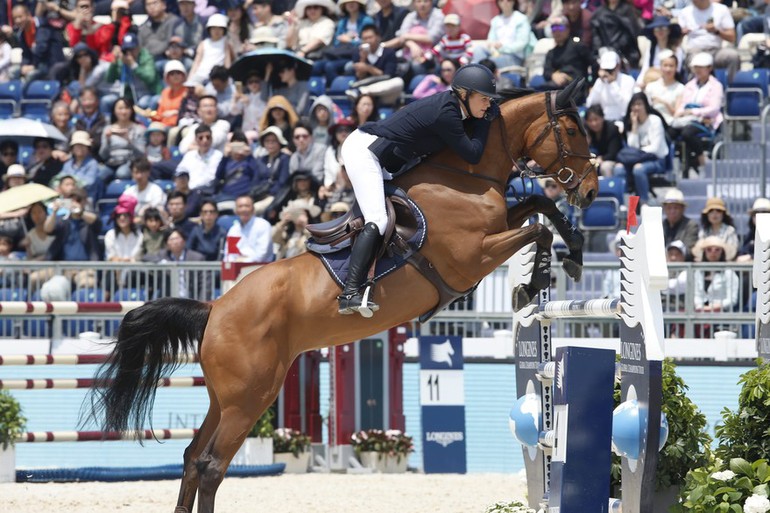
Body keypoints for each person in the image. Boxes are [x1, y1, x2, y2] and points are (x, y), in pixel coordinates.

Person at [337, 63, 499, 316]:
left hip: (387, 158)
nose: (488, 104)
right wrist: (487, 122)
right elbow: (473, 154)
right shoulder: (447, 113)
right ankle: (349, 292)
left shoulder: (456, 110)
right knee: (378, 220)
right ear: (465, 95)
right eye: (485, 99)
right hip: (365, 151)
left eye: (490, 100)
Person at [670, 52, 723, 177]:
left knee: (687, 133)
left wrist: (694, 111)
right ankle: (678, 167)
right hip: (688, 119)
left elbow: (714, 108)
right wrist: (680, 113)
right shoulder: (689, 85)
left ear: (709, 68)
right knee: (670, 131)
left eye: (701, 67)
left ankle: (701, 160)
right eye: (696, 67)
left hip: (706, 120)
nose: (698, 70)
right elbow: (684, 103)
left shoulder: (716, 86)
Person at [613, 93, 669, 204]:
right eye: (634, 105)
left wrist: (639, 152)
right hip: (636, 159)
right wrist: (634, 125)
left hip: (657, 160)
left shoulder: (655, 120)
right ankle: (624, 204)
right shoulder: (630, 122)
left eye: (639, 104)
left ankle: (644, 201)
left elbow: (656, 148)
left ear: (646, 105)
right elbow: (632, 147)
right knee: (618, 168)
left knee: (638, 169)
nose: (636, 108)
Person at [677, 0, 740, 81]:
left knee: (732, 56)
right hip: (695, 50)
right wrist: (682, 33)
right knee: (696, 60)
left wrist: (716, 31)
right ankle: (694, 89)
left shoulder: (721, 9)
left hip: (716, 51)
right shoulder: (685, 12)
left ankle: (731, 89)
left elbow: (732, 37)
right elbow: (676, 40)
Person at [344, 24, 403, 107]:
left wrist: (368, 68)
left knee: (398, 82)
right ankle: (362, 92)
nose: (368, 41)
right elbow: (360, 78)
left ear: (378, 37)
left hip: (383, 90)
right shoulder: (358, 53)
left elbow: (387, 76)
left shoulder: (388, 52)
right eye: (365, 38)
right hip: (365, 94)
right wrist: (363, 59)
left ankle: (361, 91)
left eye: (370, 37)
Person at [473, 0, 534, 68]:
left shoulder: (521, 19)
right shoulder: (495, 20)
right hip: (496, 54)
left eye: (508, 0)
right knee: (479, 50)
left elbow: (521, 43)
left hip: (514, 57)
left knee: (488, 63)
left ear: (514, 2)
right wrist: (492, 45)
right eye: (501, 0)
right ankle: (475, 72)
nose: (505, 2)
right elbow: (491, 40)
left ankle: (478, 72)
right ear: (498, 2)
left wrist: (502, 47)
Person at [538, 15, 592, 91]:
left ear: (568, 29)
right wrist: (553, 75)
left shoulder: (577, 46)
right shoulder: (551, 53)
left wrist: (592, 85)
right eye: (554, 28)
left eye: (560, 28)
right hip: (557, 86)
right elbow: (546, 71)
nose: (557, 32)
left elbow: (593, 63)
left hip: (576, 86)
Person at [100, 97, 147, 180]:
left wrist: (129, 141)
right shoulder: (108, 129)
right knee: (100, 175)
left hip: (129, 162)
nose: (123, 112)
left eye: (126, 108)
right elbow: (103, 155)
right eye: (120, 108)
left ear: (131, 110)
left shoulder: (139, 129)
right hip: (111, 162)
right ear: (114, 110)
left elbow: (141, 154)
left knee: (122, 174)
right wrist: (107, 141)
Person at [692, 235, 740, 316]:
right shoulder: (698, 272)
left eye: (717, 250)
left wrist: (713, 307)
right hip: (700, 314)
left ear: (722, 252)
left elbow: (732, 299)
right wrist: (700, 307)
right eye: (709, 249)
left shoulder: (729, 273)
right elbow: (696, 295)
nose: (713, 252)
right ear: (704, 252)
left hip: (722, 315)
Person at [585, 50, 635, 122]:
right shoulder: (599, 82)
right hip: (603, 122)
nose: (607, 72)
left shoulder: (628, 80)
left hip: (622, 119)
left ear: (618, 66)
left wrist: (613, 83)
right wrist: (600, 84)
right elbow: (589, 104)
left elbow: (625, 107)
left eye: (610, 69)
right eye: (605, 69)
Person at [636, 16, 683, 90]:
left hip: (669, 82)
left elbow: (677, 71)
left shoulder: (677, 50)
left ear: (669, 30)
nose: (660, 31)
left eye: (663, 28)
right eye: (657, 28)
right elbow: (645, 67)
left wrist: (659, 76)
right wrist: (639, 82)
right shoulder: (652, 48)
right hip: (649, 81)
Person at [252, 126, 291, 214]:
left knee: (252, 209)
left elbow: (282, 181)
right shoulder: (260, 160)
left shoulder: (284, 159)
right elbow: (255, 180)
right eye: (267, 141)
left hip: (274, 195)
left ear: (279, 142)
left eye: (273, 141)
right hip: (258, 194)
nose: (270, 144)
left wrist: (269, 192)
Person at [188, 13, 234, 85]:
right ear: (209, 29)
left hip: (216, 76)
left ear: (224, 30)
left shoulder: (226, 43)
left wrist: (226, 77)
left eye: (220, 28)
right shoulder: (203, 43)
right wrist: (190, 79)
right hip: (201, 74)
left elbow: (227, 64)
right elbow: (196, 62)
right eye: (214, 28)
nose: (217, 31)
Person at [176, 124, 224, 192]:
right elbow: (179, 171)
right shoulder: (189, 155)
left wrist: (193, 188)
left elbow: (212, 178)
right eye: (201, 138)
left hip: (206, 192)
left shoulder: (218, 156)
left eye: (208, 137)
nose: (205, 140)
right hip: (188, 191)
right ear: (196, 139)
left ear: (212, 139)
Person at [226, 194, 274, 263]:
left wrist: (243, 261)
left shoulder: (263, 225)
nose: (244, 209)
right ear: (236, 210)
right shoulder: (233, 230)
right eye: (240, 206)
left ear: (253, 209)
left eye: (247, 206)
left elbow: (262, 254)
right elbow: (230, 254)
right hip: (237, 269)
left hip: (261, 268)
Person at [644, 50, 685, 126]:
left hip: (670, 124)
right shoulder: (651, 87)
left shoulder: (681, 88)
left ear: (676, 68)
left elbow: (677, 114)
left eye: (671, 66)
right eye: (665, 65)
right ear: (660, 67)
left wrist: (664, 103)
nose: (668, 69)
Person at [124, 157, 168, 223]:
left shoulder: (156, 191)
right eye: (136, 172)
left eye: (142, 172)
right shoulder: (128, 193)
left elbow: (157, 213)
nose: (139, 176)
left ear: (148, 173)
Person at [585, 105, 622, 177]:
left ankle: (608, 188)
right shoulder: (587, 132)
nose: (594, 123)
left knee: (605, 167)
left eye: (596, 119)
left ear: (602, 118)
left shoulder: (612, 128)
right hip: (596, 159)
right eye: (590, 121)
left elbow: (613, 153)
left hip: (613, 159)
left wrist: (602, 158)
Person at [662, 188, 699, 254]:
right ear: (664, 209)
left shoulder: (691, 226)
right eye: (669, 208)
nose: (672, 211)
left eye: (676, 208)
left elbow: (688, 249)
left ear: (683, 209)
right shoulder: (660, 226)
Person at [738, 198, 770, 262]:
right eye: (756, 214)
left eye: (765, 213)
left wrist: (751, 257)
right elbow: (742, 253)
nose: (760, 217)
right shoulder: (751, 234)